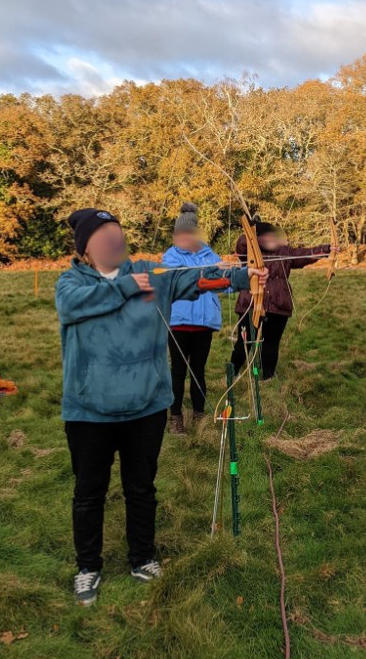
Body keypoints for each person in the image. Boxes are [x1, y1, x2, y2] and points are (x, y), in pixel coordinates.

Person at [55, 208, 267, 606]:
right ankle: (88, 567)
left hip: (145, 408)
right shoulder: (71, 282)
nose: (113, 242)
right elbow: (73, 307)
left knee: (141, 488)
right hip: (88, 412)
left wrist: (243, 276)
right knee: (88, 493)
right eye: (103, 236)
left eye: (117, 234)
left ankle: (143, 557)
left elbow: (196, 278)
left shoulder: (153, 274)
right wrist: (124, 288)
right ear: (85, 247)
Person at [230, 219, 332, 381]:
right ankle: (232, 373)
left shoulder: (285, 251)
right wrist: (253, 235)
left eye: (272, 236)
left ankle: (267, 376)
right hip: (251, 303)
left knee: (271, 343)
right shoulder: (249, 250)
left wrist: (327, 249)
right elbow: (242, 244)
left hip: (278, 305)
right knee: (246, 341)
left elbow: (305, 255)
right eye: (265, 236)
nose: (270, 240)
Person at [162, 202, 227, 434]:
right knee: (178, 371)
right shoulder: (170, 257)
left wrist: (236, 274)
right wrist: (212, 272)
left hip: (203, 324)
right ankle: (176, 418)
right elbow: (183, 279)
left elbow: (224, 285)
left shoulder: (210, 255)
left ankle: (199, 415)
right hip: (179, 323)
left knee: (198, 370)